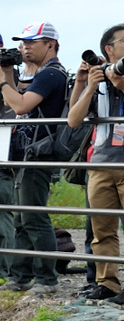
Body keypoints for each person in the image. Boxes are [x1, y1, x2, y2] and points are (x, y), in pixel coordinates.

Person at [65, 24, 124, 305]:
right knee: (101, 228)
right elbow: (73, 120)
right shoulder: (96, 79)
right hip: (100, 164)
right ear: (109, 49)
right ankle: (106, 282)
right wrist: (88, 83)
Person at [1, 22, 70, 294]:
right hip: (25, 152)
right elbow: (16, 96)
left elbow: (19, 104)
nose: (24, 47)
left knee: (33, 217)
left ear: (50, 44)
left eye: (32, 42)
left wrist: (1, 80)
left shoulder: (52, 75)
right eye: (22, 43)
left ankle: (46, 279)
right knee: (21, 218)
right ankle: (20, 276)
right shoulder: (39, 73)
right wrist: (8, 69)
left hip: (38, 152)